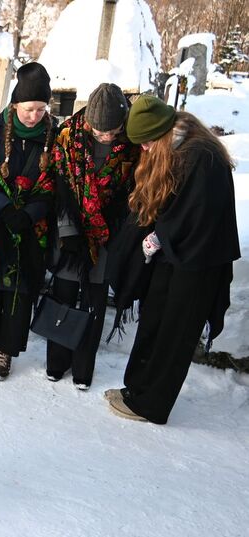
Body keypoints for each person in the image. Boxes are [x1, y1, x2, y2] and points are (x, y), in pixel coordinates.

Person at [103, 96, 240, 424]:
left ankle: (151, 405)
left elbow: (200, 215)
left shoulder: (202, 156)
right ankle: (136, 389)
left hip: (198, 262)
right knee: (153, 321)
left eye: (147, 142)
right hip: (173, 255)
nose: (145, 149)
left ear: (162, 131)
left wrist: (160, 236)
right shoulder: (173, 146)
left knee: (174, 335)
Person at [37, 83, 138, 390]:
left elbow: (132, 194)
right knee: (64, 296)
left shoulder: (132, 144)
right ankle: (57, 362)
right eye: (99, 131)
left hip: (108, 234)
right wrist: (69, 232)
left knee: (94, 304)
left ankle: (83, 367)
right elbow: (59, 186)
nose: (105, 136)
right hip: (70, 231)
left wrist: (113, 233)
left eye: (112, 131)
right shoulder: (68, 136)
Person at [0, 62, 57, 380]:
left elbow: (55, 183)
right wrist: (4, 207)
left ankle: (5, 350)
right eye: (28, 109)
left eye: (40, 109)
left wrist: (30, 213)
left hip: (31, 228)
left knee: (19, 292)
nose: (34, 116)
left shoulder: (53, 139)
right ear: (14, 105)